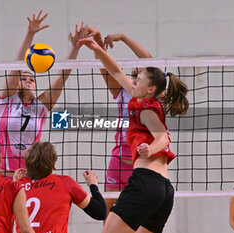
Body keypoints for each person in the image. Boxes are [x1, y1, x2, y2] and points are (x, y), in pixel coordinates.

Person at [78, 37, 189, 233]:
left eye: (138, 79)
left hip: (146, 183)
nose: (133, 81)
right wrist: (97, 49)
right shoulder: (139, 97)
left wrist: (150, 148)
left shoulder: (146, 109)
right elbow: (115, 71)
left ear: (151, 89)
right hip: (163, 190)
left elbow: (163, 137)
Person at [0, 10, 86, 176]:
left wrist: (75, 47)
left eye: (32, 79)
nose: (29, 80)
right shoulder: (7, 100)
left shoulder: (40, 107)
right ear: (16, 84)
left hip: (29, 175)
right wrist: (30, 34)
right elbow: (16, 67)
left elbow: (62, 76)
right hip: (2, 174)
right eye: (24, 78)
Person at [83, 25, 152, 216]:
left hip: (143, 165)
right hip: (118, 161)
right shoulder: (122, 91)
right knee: (109, 213)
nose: (137, 78)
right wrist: (97, 42)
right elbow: (107, 65)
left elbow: (148, 60)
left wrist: (123, 36)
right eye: (134, 75)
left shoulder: (152, 96)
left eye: (141, 74)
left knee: (140, 219)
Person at [13, 141, 107, 233]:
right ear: (53, 165)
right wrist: (93, 185)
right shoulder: (65, 183)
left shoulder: (16, 187)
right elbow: (100, 213)